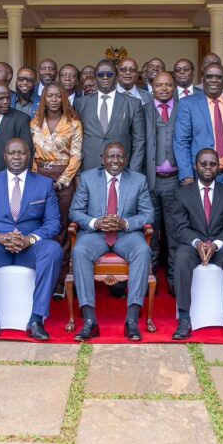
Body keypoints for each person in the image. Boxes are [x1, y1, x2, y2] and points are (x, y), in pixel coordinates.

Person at [0, 138, 63, 342]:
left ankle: (36, 319)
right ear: (4, 156)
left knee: (53, 250)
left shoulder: (44, 184)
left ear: (30, 156)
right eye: (12, 153)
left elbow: (53, 223)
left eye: (21, 153)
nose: (17, 157)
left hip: (30, 248)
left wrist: (31, 239)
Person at [69, 141, 155, 342]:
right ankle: (90, 321)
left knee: (143, 250)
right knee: (80, 250)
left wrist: (125, 222)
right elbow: (75, 211)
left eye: (119, 157)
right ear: (103, 159)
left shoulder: (138, 180)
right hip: (95, 235)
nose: (115, 161)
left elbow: (148, 214)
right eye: (111, 156)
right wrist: (95, 222)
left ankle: (132, 320)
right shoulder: (89, 178)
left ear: (125, 159)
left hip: (126, 235)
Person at [169, 149, 223, 340]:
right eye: (204, 164)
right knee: (181, 257)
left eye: (213, 164)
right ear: (196, 166)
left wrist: (216, 244)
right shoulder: (182, 194)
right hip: (193, 245)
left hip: (221, 245)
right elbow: (180, 227)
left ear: (219, 167)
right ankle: (184, 318)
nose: (208, 168)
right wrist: (197, 243)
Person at [29, 82, 82, 294]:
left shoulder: (74, 123)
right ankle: (39, 278)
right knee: (39, 225)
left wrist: (61, 181)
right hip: (39, 176)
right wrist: (35, 180)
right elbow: (32, 154)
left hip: (63, 179)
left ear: (63, 99)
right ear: (44, 98)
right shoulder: (35, 122)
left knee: (61, 229)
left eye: (57, 96)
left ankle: (60, 282)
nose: (53, 99)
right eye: (49, 96)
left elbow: (76, 155)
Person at [174, 62, 223, 187]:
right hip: (198, 176)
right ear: (202, 79)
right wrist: (187, 175)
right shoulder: (188, 104)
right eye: (209, 76)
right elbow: (181, 141)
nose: (214, 80)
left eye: (218, 77)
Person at [144, 71, 181, 292]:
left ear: (175, 86)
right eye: (159, 85)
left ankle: (174, 279)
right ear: (152, 87)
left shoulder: (184, 108)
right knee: (151, 232)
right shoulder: (144, 109)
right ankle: (150, 279)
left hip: (175, 180)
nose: (164, 88)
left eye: (168, 85)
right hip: (150, 181)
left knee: (174, 232)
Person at [75, 58, 146, 172]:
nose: (105, 77)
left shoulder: (133, 103)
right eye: (100, 75)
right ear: (95, 78)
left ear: (117, 77)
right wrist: (77, 173)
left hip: (123, 169)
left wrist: (133, 173)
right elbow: (75, 141)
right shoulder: (80, 103)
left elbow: (139, 142)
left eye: (109, 74)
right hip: (89, 168)